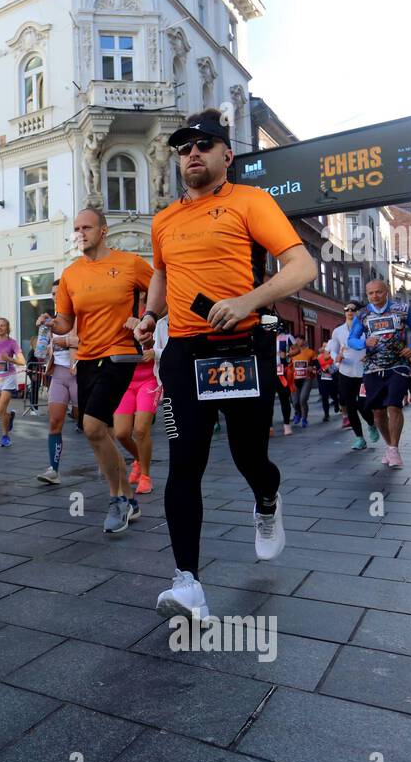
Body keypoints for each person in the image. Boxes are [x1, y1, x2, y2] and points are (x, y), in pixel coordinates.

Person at [135, 108, 317, 619]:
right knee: (183, 461)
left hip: (240, 349)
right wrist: (150, 316)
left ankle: (267, 499)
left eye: (204, 144)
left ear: (226, 154)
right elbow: (162, 275)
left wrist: (248, 301)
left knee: (247, 456)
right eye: (185, 147)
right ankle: (188, 582)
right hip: (183, 355)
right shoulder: (165, 219)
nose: (192, 153)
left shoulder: (250, 201)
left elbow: (303, 265)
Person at [45, 207, 149, 534]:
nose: (80, 233)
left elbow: (165, 290)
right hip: (86, 358)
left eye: (86, 227)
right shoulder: (71, 274)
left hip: (119, 355)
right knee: (99, 432)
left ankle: (116, 498)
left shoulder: (130, 263)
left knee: (91, 427)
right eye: (76, 228)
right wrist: (52, 324)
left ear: (103, 230)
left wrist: (147, 318)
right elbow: (66, 321)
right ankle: (130, 499)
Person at [348, 278, 411, 469]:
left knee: (394, 406)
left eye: (378, 292)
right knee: (378, 412)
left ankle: (395, 449)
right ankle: (390, 446)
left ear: (386, 291)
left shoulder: (402, 309)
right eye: (371, 293)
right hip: (373, 367)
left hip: (398, 364)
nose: (375, 296)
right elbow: (351, 340)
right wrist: (364, 343)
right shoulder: (363, 314)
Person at [113, 297, 160, 495]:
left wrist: (155, 352)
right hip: (125, 379)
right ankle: (139, 460)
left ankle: (146, 476)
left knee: (140, 431)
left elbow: (169, 345)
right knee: (121, 433)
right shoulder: (117, 314)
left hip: (149, 380)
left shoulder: (159, 316)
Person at [36, 282, 78, 484]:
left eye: (58, 293)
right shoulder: (50, 320)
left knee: (95, 427)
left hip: (81, 373)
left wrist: (67, 341)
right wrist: (43, 335)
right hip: (59, 374)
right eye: (52, 293)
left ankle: (110, 465)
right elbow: (42, 351)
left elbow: (96, 341)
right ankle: (53, 470)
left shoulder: (81, 315)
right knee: (54, 422)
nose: (55, 296)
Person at [327, 301, 378, 450]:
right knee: (350, 406)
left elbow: (375, 346)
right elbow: (333, 350)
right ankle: (359, 438)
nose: (349, 311)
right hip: (345, 372)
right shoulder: (338, 331)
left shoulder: (366, 329)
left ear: (359, 312)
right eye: (347, 309)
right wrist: (336, 357)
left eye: (353, 309)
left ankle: (371, 424)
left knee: (363, 405)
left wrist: (369, 356)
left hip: (363, 372)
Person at [0, 317, 24, 447]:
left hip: (8, 377)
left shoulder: (12, 343)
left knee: (2, 407)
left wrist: (9, 359)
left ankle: (5, 436)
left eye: (2, 326)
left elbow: (22, 361)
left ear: (7, 328)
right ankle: (9, 417)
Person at [272, 326, 295, 437]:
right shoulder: (264, 337)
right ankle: (269, 426)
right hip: (268, 371)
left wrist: (288, 355)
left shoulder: (286, 337)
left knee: (284, 398)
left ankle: (286, 424)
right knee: (267, 400)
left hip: (282, 372)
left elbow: (297, 349)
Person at [289, 336, 316, 427]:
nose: (297, 341)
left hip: (306, 379)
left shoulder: (310, 352)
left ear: (304, 341)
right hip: (294, 379)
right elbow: (286, 363)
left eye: (299, 339)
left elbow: (316, 366)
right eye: (295, 339)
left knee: (303, 400)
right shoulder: (291, 352)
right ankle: (298, 413)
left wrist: (312, 368)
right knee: (295, 401)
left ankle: (304, 419)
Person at [316, 346, 338, 422]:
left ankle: (336, 403)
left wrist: (330, 368)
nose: (325, 348)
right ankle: (326, 414)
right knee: (324, 397)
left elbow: (337, 366)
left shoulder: (333, 356)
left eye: (326, 346)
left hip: (333, 379)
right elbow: (317, 368)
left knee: (334, 395)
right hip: (323, 379)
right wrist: (321, 369)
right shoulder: (319, 357)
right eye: (323, 346)